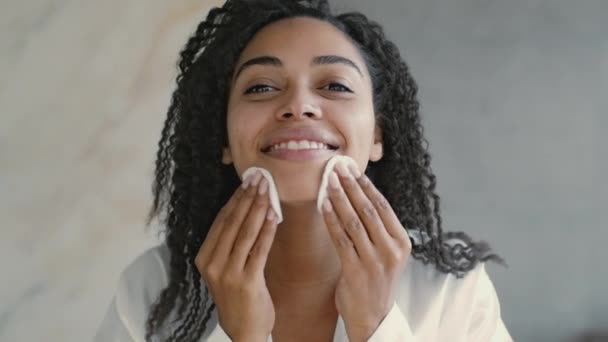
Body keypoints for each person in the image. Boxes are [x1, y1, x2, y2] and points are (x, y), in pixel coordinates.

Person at [95, 0, 513, 341]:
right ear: (223, 139)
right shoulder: (151, 291)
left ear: (377, 138)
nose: (299, 105)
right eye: (261, 87)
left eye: (335, 85)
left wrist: (376, 326)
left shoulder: (451, 292)